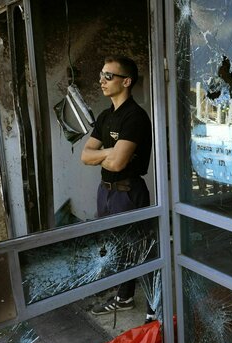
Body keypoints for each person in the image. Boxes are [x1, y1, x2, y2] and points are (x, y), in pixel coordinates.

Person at [81, 56, 155, 322]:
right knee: (116, 248)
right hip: (106, 191)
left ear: (126, 81)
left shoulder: (135, 116)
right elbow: (85, 156)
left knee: (141, 249)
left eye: (108, 76)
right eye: (101, 74)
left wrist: (105, 153)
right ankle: (124, 297)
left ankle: (153, 307)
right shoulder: (105, 116)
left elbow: (118, 163)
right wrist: (110, 151)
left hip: (128, 191)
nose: (101, 80)